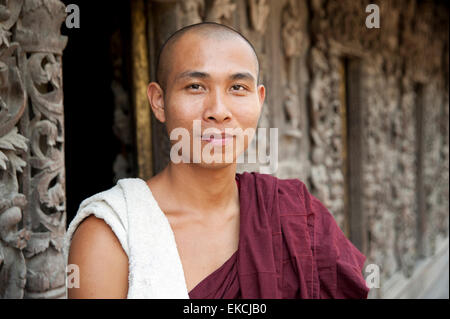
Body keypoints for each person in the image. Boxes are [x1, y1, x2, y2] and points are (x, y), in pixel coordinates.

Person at [65, 22, 369, 299]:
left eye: (238, 88)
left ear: (259, 100)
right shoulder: (111, 234)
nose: (218, 110)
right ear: (159, 101)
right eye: (195, 86)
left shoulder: (293, 212)